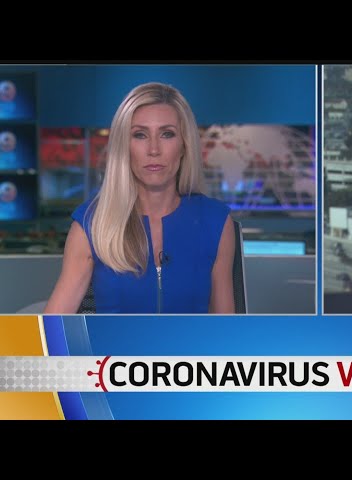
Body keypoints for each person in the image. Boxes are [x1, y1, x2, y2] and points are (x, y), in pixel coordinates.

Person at [44, 82, 235, 314]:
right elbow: (50, 330)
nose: (153, 149)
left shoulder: (215, 221)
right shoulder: (91, 225)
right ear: (124, 146)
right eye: (140, 135)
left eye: (167, 134)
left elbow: (226, 329)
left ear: (184, 145)